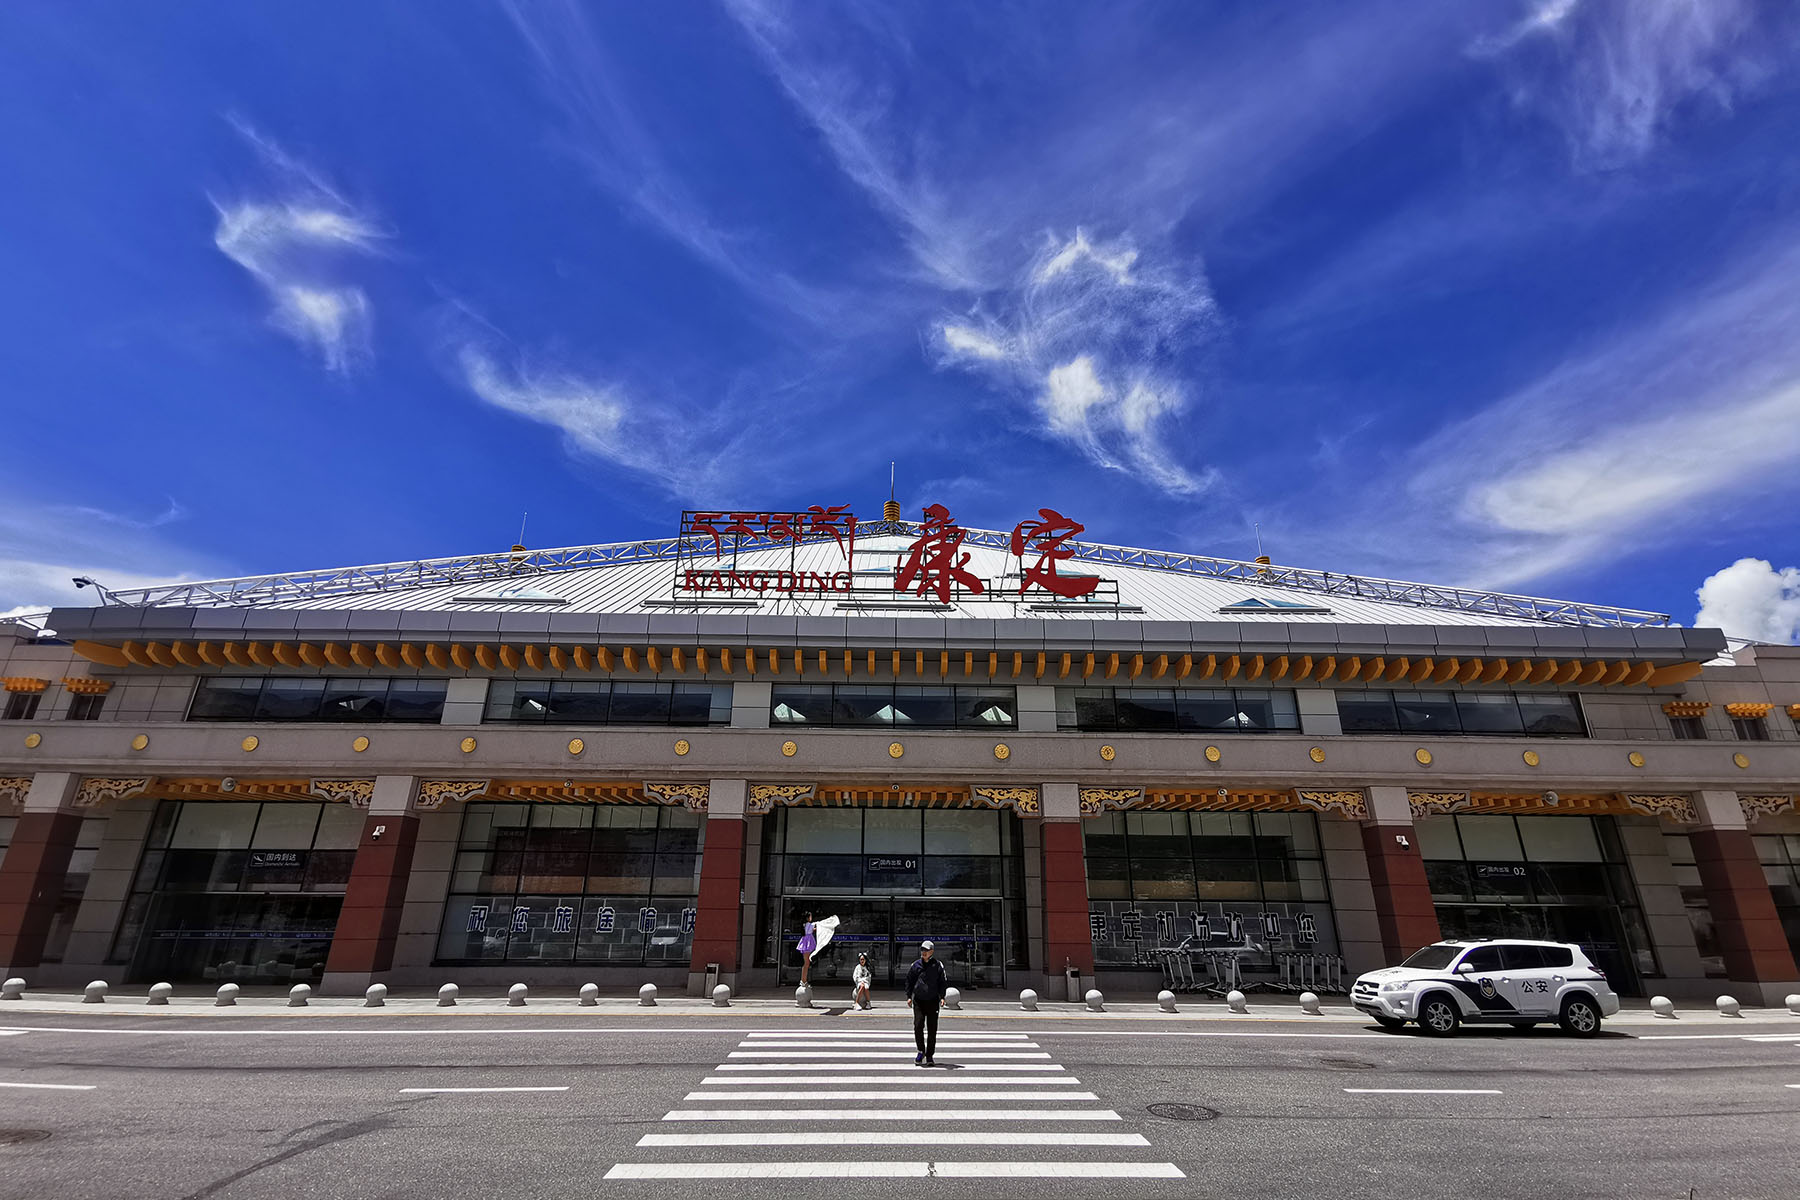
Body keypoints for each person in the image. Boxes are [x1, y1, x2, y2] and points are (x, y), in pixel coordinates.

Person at [905, 939, 949, 1065]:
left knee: (932, 1029)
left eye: (926, 950)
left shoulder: (938, 965)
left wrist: (942, 997)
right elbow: (909, 980)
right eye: (922, 950)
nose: (923, 952)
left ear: (932, 952)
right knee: (918, 1025)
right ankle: (920, 1051)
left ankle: (930, 1055)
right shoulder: (916, 965)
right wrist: (909, 996)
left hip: (933, 1001)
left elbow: (942, 982)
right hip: (919, 1001)